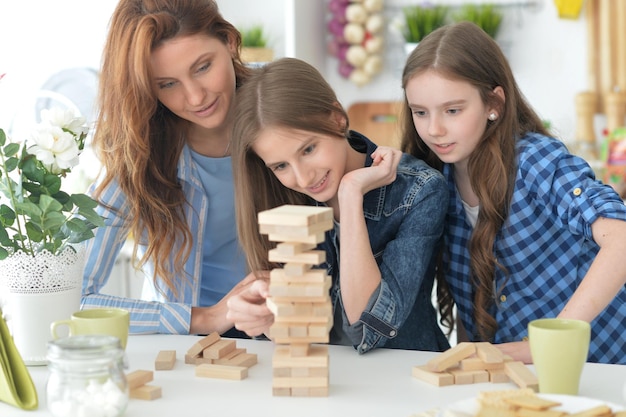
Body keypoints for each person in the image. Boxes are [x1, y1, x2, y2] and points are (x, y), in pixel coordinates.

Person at [400, 21, 626, 364]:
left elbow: (621, 238)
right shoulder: (433, 184)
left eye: (453, 110)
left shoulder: (536, 162)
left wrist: (550, 342)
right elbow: (472, 302)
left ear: (494, 103)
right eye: (420, 112)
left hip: (603, 367)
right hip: (520, 383)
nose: (434, 129)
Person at [225, 57, 451, 354]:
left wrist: (350, 194)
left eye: (308, 149)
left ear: (337, 118)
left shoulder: (418, 191)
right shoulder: (280, 201)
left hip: (402, 378)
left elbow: (368, 329)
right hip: (323, 384)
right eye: (281, 166)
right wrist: (265, 322)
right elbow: (294, 333)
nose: (304, 178)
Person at [81, 0, 261, 337]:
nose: (195, 98)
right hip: (192, 343)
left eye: (203, 67)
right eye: (167, 84)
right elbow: (71, 297)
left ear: (229, 41)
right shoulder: (138, 154)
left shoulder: (277, 98)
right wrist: (205, 317)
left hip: (294, 330)